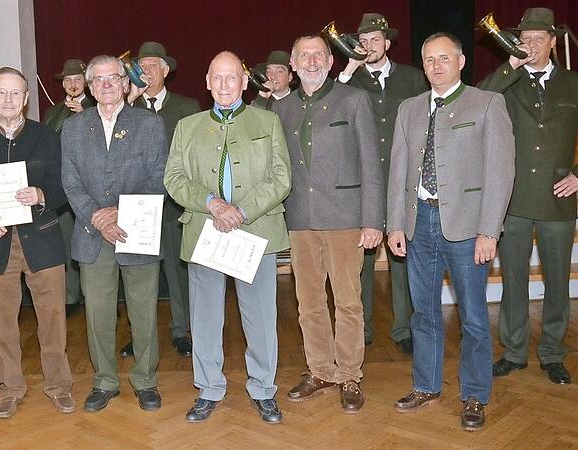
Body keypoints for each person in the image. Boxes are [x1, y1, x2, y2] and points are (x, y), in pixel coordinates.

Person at [387, 33, 514, 431]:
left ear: (461, 62)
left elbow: (500, 172)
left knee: (474, 317)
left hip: (466, 227)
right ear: (422, 65)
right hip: (419, 223)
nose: (436, 65)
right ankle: (426, 385)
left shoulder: (488, 103)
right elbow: (398, 171)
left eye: (444, 58)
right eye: (429, 59)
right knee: (422, 312)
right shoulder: (408, 109)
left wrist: (489, 230)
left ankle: (474, 395)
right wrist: (395, 223)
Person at [164, 51, 291, 424]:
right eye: (216, 78)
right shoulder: (187, 127)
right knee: (204, 317)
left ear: (244, 81)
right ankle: (208, 388)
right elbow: (174, 179)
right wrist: (212, 204)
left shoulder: (267, 122)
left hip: (256, 232)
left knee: (261, 318)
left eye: (231, 78)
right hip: (206, 233)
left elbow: (281, 179)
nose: (223, 85)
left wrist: (242, 211)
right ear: (206, 82)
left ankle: (264, 390)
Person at [270, 34, 383, 414]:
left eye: (318, 54)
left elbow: (372, 163)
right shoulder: (281, 109)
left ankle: (349, 374)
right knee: (309, 303)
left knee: (348, 302)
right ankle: (320, 370)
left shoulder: (353, 100)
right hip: (300, 220)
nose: (312, 61)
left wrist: (372, 220)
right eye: (304, 55)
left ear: (331, 61)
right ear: (293, 62)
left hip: (346, 219)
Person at [0, 67, 74, 419]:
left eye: (15, 93)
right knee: (2, 325)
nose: (8, 100)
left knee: (53, 320)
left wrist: (41, 194)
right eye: (1, 93)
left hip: (43, 240)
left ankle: (59, 386)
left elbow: (64, 183)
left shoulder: (46, 136)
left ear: (25, 98)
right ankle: (10, 388)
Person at [61, 55, 167, 413]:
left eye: (113, 78)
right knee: (99, 313)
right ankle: (104, 380)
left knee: (143, 311)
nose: (106, 85)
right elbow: (70, 183)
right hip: (93, 235)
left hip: (138, 230)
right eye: (99, 80)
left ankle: (145, 380)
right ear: (90, 88)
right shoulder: (74, 128)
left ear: (126, 83)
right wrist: (98, 218)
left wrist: (121, 213)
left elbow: (159, 177)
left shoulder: (150, 125)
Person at [478, 7, 578, 386]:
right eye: (525, 39)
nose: (532, 45)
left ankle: (552, 353)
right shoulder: (508, 82)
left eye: (539, 39)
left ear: (554, 42)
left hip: (558, 200)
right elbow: (478, 99)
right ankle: (514, 352)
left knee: (557, 283)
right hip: (514, 200)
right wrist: (511, 65)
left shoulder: (573, 83)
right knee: (513, 280)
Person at [337, 13, 429, 352]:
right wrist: (348, 69)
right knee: (360, 260)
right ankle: (360, 328)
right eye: (363, 40)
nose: (369, 46)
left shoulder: (412, 78)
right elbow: (328, 105)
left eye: (376, 39)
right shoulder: (349, 81)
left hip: (403, 181)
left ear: (387, 43)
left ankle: (404, 329)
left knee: (402, 258)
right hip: (361, 183)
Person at [121, 41, 201, 358]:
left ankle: (182, 330)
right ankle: (140, 334)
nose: (147, 71)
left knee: (178, 272)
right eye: (141, 66)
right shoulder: (125, 108)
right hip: (136, 205)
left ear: (166, 71)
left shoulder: (187, 107)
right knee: (137, 273)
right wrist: (130, 100)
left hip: (175, 205)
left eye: (154, 65)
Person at [42, 58, 96, 316]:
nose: (72, 84)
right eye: (68, 80)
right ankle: (71, 296)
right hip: (61, 185)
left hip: (90, 187)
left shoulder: (97, 108)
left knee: (92, 240)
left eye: (77, 79)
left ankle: (96, 297)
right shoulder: (53, 111)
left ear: (85, 82)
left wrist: (84, 116)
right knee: (66, 241)